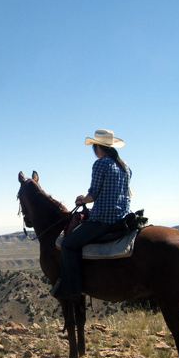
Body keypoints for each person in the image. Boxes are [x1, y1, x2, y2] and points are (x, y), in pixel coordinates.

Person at [55, 129, 132, 302]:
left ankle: (72, 290)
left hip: (104, 219)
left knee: (68, 245)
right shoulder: (124, 166)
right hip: (123, 216)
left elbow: (94, 195)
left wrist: (82, 201)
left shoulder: (101, 164)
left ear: (97, 147)